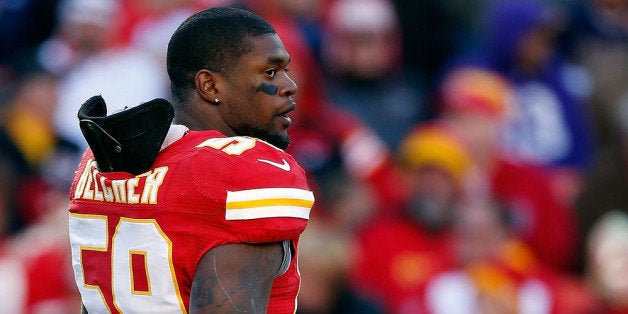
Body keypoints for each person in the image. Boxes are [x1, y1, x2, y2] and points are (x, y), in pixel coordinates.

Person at [67, 6, 315, 313]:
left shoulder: (100, 160)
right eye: (270, 71)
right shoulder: (243, 171)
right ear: (209, 86)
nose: (289, 86)